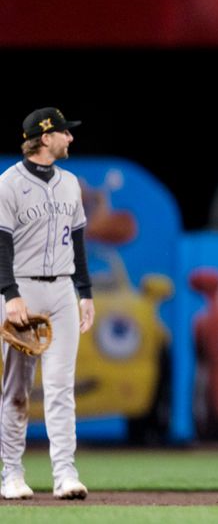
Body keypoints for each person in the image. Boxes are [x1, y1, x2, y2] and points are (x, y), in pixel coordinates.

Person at [0, 108, 95, 500]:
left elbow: (78, 242)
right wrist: (9, 294)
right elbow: (0, 243)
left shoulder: (71, 183)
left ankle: (64, 474)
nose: (69, 138)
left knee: (60, 388)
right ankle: (11, 474)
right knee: (17, 389)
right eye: (63, 133)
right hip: (22, 290)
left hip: (61, 291)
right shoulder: (8, 183)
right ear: (44, 137)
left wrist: (85, 292)